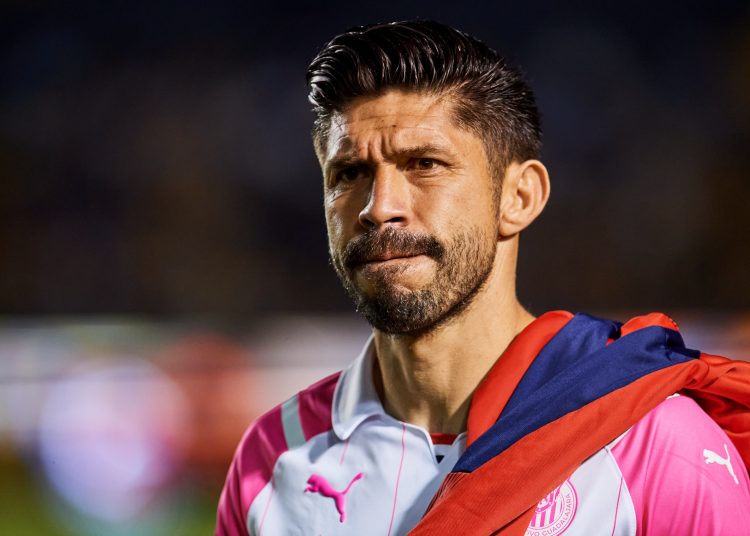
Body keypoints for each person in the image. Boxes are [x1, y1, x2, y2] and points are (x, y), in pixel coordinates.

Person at [216, 20, 750, 535]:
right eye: (349, 174)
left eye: (424, 164)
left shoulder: (655, 445)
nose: (379, 208)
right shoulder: (272, 457)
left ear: (519, 197)